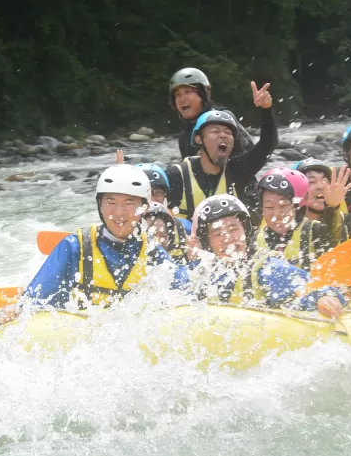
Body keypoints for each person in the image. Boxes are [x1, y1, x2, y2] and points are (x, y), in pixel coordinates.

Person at [24, 165, 187, 308]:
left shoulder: (152, 252)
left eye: (129, 203)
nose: (119, 213)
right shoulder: (75, 247)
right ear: (100, 205)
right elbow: (32, 303)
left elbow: (186, 291)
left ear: (143, 208)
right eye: (111, 202)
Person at [189, 195, 345, 317]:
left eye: (233, 229)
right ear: (208, 242)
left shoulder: (264, 267)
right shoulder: (204, 272)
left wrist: (320, 296)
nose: (228, 238)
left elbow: (300, 283)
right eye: (217, 234)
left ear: (245, 231)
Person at [165, 82, 278, 225]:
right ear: (198, 139)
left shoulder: (237, 170)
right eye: (216, 131)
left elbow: (268, 144)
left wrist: (266, 109)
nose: (223, 135)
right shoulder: (176, 175)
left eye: (228, 132)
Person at [254, 168, 350, 271]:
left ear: (298, 208)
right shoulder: (256, 239)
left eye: (283, 206)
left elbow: (332, 238)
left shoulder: (314, 232)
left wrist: (332, 207)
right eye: (269, 207)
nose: (276, 214)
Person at [168, 68, 255, 159]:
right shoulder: (184, 137)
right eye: (177, 94)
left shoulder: (225, 119)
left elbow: (250, 159)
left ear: (205, 93)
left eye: (188, 92)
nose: (182, 99)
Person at [294, 158, 351, 241]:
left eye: (326, 181)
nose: (320, 186)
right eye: (311, 182)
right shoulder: (287, 227)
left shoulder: (350, 223)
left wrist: (332, 206)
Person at [135, 163, 192, 233]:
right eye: (144, 193)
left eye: (157, 192)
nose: (151, 200)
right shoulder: (124, 228)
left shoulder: (184, 228)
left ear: (165, 196)